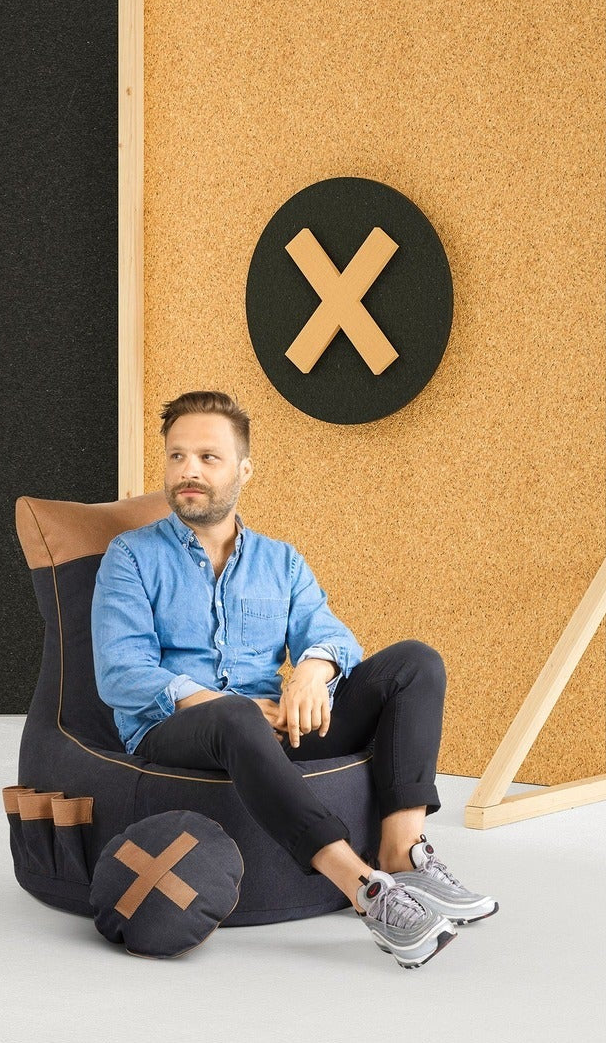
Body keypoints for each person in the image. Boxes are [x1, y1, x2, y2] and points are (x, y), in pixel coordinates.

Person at [91, 390, 498, 969]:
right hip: (174, 730)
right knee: (235, 714)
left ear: (243, 470)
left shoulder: (280, 561)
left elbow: (331, 635)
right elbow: (120, 672)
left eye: (208, 457)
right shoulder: (130, 556)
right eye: (177, 456)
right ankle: (365, 888)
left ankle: (402, 854)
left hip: (271, 728)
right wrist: (221, 704)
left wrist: (312, 669)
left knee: (414, 663)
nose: (188, 471)